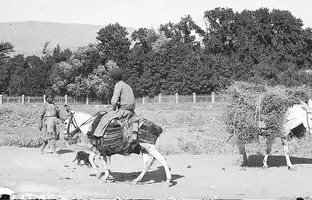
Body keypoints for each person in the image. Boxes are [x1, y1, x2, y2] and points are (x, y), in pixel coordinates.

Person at [93, 67, 139, 142]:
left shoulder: (118, 85)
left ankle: (97, 137)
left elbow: (114, 101)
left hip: (123, 111)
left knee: (105, 118)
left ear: (113, 78)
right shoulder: (127, 86)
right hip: (132, 112)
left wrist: (113, 109)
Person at [38, 88, 61, 154]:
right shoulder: (44, 105)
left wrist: (65, 119)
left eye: (52, 97)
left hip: (55, 122)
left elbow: (58, 115)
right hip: (48, 122)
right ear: (47, 98)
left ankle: (42, 149)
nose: (51, 99)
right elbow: (40, 115)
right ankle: (54, 150)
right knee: (50, 136)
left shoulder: (54, 105)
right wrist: (40, 123)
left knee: (52, 136)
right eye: (50, 97)